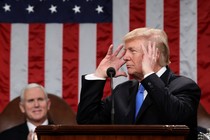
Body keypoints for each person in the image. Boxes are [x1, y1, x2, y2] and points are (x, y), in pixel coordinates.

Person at [76, 27, 201, 140]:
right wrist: (99, 75)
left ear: (154, 55)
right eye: (126, 50)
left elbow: (177, 118)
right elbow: (87, 121)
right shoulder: (123, 91)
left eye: (132, 51)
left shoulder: (184, 86)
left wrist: (149, 74)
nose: (125, 57)